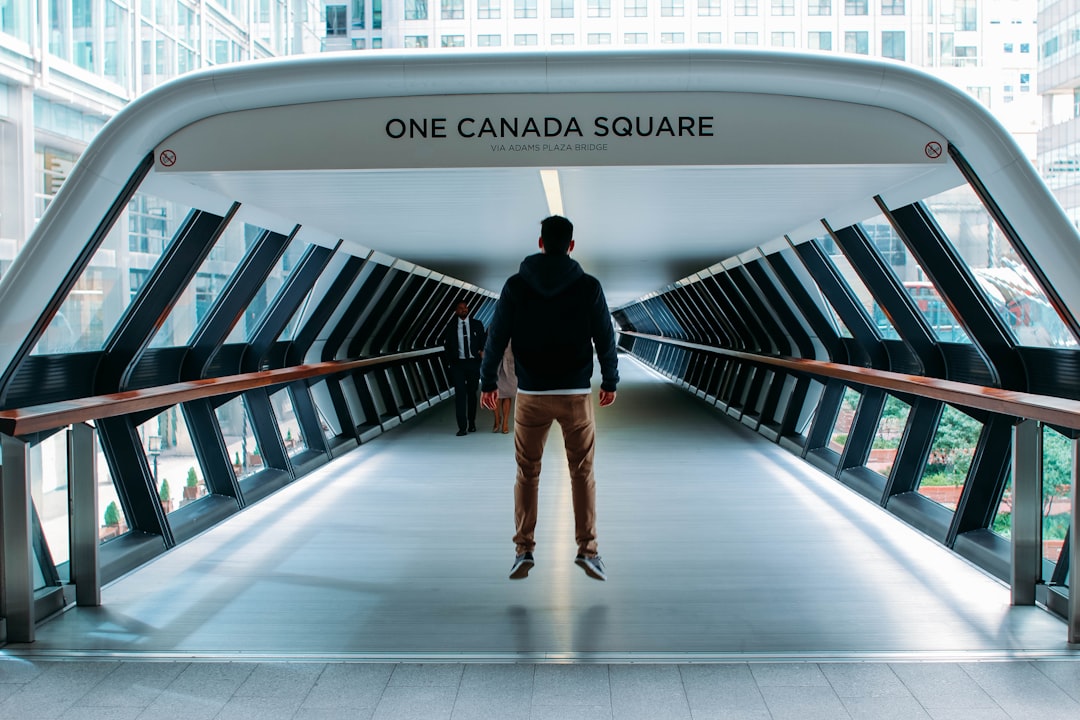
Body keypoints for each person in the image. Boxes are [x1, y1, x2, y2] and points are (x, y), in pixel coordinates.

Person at [480, 215, 619, 582]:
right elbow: (605, 336)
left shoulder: (515, 286)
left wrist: (488, 382)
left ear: (540, 242)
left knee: (527, 473)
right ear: (571, 246)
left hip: (531, 396)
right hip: (575, 394)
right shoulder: (588, 286)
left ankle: (523, 548)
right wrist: (610, 380)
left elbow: (496, 336)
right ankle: (588, 551)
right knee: (583, 473)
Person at [442, 300, 486, 436]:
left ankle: (471, 422)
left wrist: (481, 352)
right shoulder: (451, 327)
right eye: (460, 308)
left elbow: (483, 342)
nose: (464, 310)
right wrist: (450, 362)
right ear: (456, 311)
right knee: (460, 395)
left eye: (465, 307)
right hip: (458, 365)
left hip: (473, 363)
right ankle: (462, 427)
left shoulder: (477, 325)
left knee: (472, 394)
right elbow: (447, 346)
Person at [492, 342, 516, 434]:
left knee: (507, 394)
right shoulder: (492, 329)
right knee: (496, 394)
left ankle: (505, 423)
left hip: (510, 364)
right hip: (495, 365)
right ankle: (497, 419)